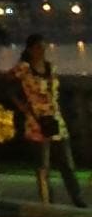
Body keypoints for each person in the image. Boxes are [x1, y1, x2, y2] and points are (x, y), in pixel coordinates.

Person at [14, 35, 85, 205]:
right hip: (36, 120)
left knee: (67, 163)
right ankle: (46, 200)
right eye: (38, 47)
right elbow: (7, 85)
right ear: (30, 50)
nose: (42, 51)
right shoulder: (23, 68)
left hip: (55, 119)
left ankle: (77, 198)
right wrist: (22, 106)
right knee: (42, 165)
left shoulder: (50, 67)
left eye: (43, 47)